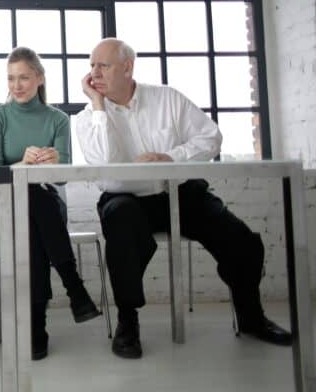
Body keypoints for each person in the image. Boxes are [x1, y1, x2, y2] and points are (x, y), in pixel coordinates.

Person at [76, 37, 293, 360]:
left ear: (127, 67)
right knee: (121, 226)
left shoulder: (167, 98)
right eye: (92, 65)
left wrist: (172, 157)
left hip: (178, 191)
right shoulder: (88, 117)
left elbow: (211, 136)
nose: (95, 73)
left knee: (243, 242)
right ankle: (128, 323)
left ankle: (251, 317)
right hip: (125, 199)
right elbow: (105, 163)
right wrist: (98, 106)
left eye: (103, 65)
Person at [0, 46, 102, 361]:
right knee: (30, 204)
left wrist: (53, 163)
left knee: (36, 202)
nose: (17, 85)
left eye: (23, 77)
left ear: (38, 78)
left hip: (47, 201)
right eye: (11, 78)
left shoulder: (58, 119)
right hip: (8, 205)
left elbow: (62, 178)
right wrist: (22, 165)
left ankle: (36, 325)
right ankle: (73, 290)